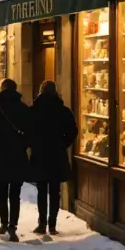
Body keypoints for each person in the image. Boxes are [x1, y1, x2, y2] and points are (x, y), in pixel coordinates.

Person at [0, 78, 31, 241]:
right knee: (15, 193)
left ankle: (4, 222)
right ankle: (13, 224)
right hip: (17, 154)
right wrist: (23, 145)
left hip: (0, 153)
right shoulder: (23, 108)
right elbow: (29, 132)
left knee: (2, 191)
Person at [29, 80, 78, 235]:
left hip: (40, 154)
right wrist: (63, 143)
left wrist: (33, 144)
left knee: (42, 190)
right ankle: (52, 224)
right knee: (55, 190)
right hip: (57, 154)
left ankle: (42, 222)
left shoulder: (34, 110)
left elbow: (27, 130)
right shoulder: (63, 110)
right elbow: (72, 131)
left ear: (41, 91)